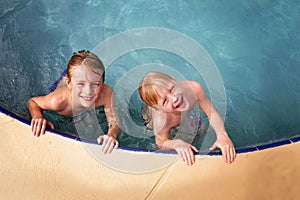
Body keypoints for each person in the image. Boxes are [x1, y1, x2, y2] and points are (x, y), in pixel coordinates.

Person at [28, 50, 120, 154]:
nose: (88, 92)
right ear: (69, 83)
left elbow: (114, 123)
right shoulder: (58, 101)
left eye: (96, 84)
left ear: (102, 84)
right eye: (81, 84)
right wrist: (37, 116)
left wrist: (111, 135)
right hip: (65, 92)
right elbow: (33, 102)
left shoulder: (106, 94)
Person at [138, 72, 236, 165]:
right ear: (158, 109)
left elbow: (211, 112)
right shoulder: (161, 120)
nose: (174, 98)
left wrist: (222, 135)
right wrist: (175, 143)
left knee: (200, 130)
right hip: (153, 116)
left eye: (172, 89)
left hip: (178, 113)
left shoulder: (194, 89)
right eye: (165, 101)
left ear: (174, 79)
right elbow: (160, 142)